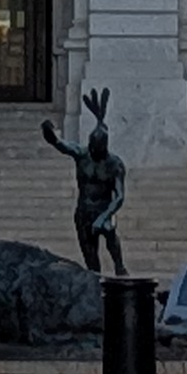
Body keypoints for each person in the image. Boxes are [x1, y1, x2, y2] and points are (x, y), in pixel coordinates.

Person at [42, 89, 128, 275]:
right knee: (90, 255)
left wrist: (103, 217)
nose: (93, 151)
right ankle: (95, 278)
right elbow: (61, 145)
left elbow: (119, 197)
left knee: (110, 233)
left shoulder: (115, 164)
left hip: (105, 209)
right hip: (84, 211)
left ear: (104, 147)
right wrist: (50, 135)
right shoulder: (82, 155)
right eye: (91, 147)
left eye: (97, 149)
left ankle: (119, 267)